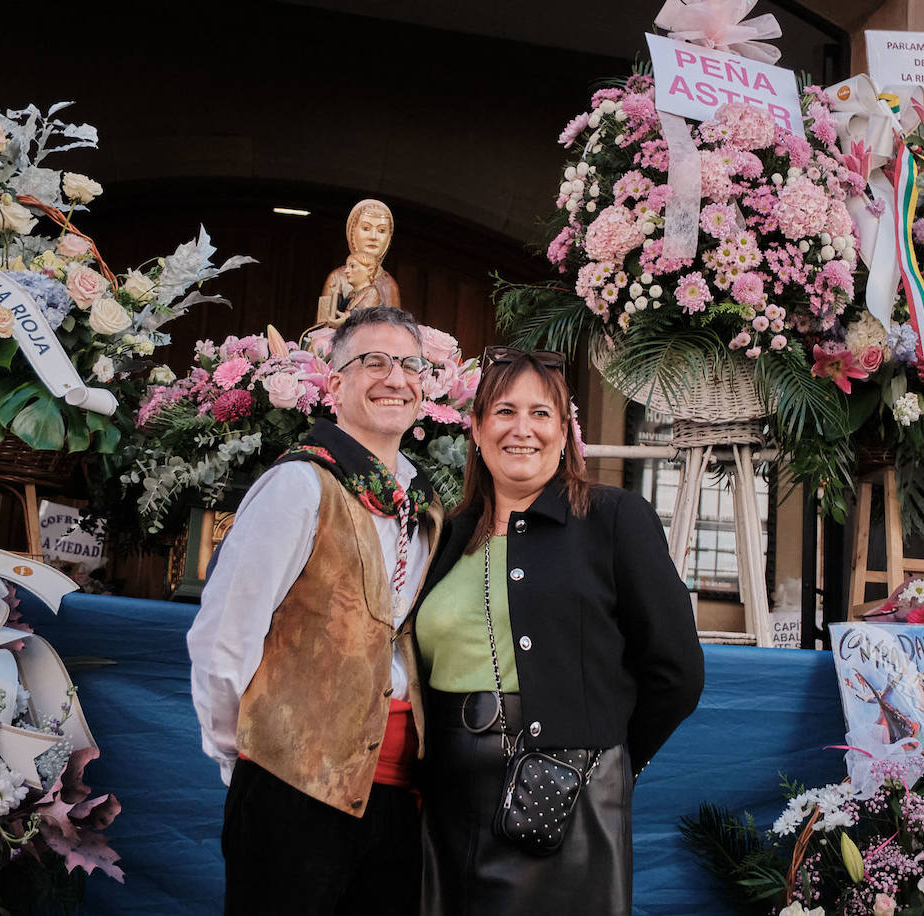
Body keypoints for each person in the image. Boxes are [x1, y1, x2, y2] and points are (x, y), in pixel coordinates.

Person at [412, 346, 705, 914]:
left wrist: (606, 760)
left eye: (542, 413)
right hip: (446, 800)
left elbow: (678, 672)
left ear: (566, 431)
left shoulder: (614, 519)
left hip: (560, 796)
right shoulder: (449, 534)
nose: (522, 429)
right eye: (504, 411)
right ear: (475, 427)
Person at [187, 306, 442, 915]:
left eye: (409, 365)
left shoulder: (425, 505)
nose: (394, 377)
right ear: (335, 385)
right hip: (291, 786)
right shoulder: (299, 486)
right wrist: (247, 758)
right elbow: (223, 636)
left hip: (397, 797)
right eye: (372, 362)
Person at [317, 199, 401, 325]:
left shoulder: (389, 284)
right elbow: (322, 324)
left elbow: (396, 329)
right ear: (352, 232)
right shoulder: (337, 277)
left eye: (382, 231)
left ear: (389, 237)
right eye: (366, 228)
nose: (373, 236)